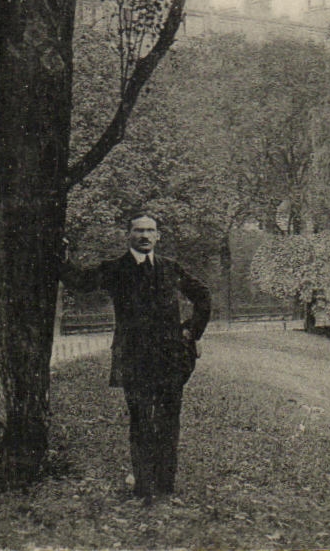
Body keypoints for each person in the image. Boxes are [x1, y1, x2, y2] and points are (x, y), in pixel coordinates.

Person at [61, 213, 211, 502]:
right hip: (134, 358)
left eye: (150, 230)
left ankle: (165, 487)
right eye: (138, 230)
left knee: (168, 421)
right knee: (141, 421)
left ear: (158, 236)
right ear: (127, 235)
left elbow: (203, 296)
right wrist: (61, 258)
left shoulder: (169, 268)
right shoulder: (115, 269)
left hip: (170, 359)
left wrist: (192, 332)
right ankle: (144, 487)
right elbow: (79, 282)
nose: (145, 235)